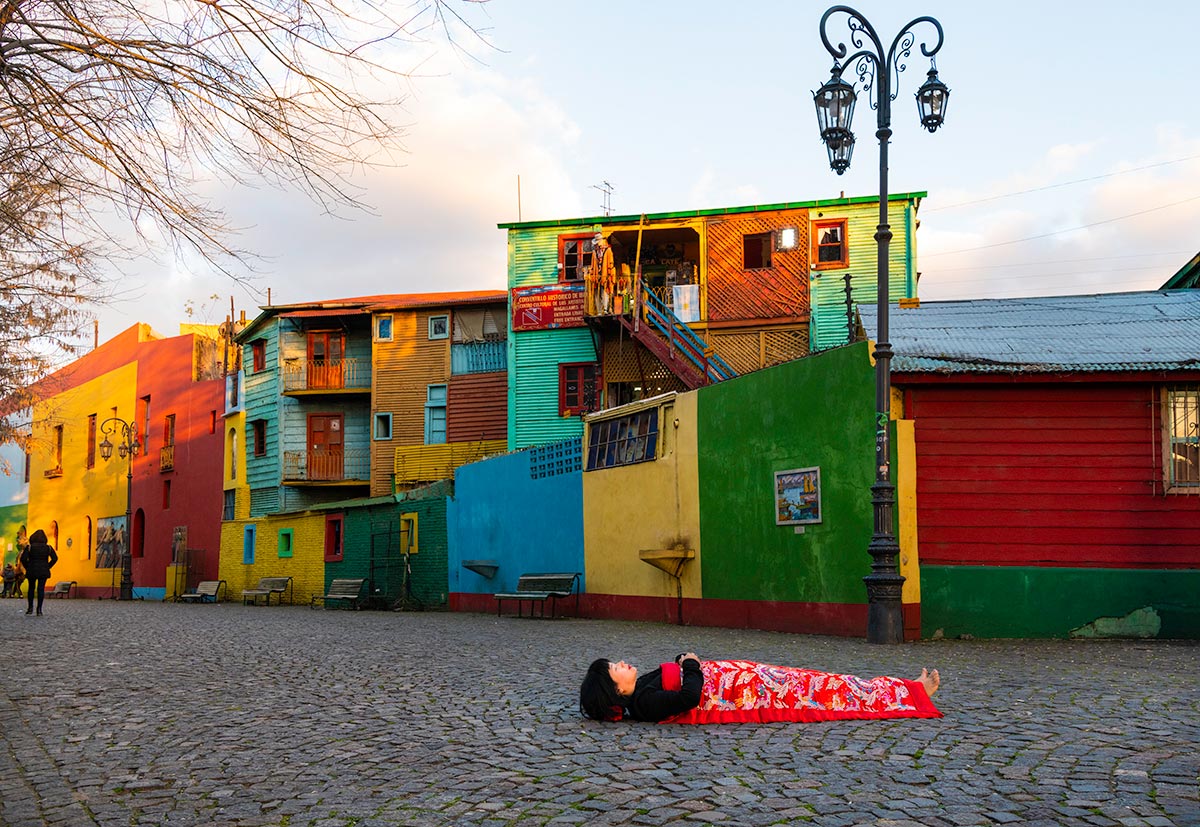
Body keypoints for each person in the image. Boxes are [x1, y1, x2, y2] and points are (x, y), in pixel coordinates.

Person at [580, 652, 941, 724]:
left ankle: (906, 688)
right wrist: (690, 663)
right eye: (615, 669)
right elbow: (689, 698)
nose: (622, 664)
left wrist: (684, 661)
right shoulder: (644, 703)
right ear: (616, 691)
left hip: (744, 677)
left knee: (822, 681)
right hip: (748, 690)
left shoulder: (642, 688)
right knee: (824, 689)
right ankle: (911, 693)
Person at [19, 529, 58, 616]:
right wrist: (48, 566)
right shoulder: (48, 548)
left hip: (32, 570)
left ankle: (30, 608)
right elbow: (55, 558)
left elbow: (23, 559)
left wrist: (27, 566)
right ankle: (39, 609)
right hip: (43, 570)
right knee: (41, 589)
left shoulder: (30, 547)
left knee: (31, 589)